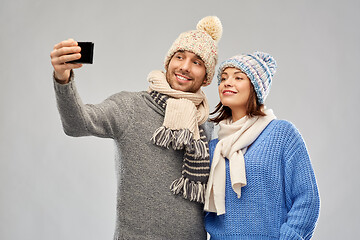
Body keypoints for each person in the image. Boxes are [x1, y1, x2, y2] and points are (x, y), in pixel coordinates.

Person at [50, 16, 222, 240]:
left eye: (197, 62)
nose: (185, 67)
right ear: (168, 62)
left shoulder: (206, 125)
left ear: (207, 78)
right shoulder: (130, 107)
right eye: (179, 57)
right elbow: (76, 123)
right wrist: (62, 78)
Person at [203, 52, 320, 239]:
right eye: (223, 78)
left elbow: (308, 199)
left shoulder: (281, 134)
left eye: (238, 77)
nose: (227, 82)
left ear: (255, 87)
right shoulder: (214, 147)